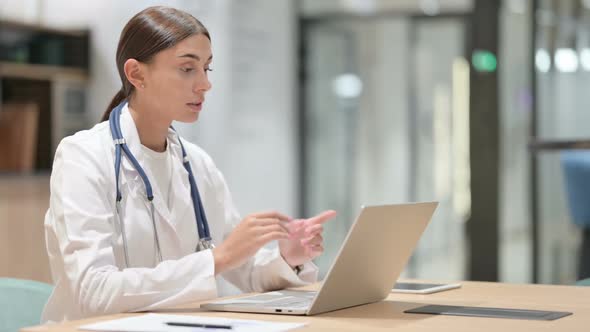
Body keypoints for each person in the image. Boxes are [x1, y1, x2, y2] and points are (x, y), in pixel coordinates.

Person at [41, 6, 336, 322]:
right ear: (136, 74)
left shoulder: (196, 163)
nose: (204, 84)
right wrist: (216, 259)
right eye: (187, 69)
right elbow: (92, 293)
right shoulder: (82, 157)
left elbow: (243, 270)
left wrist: (288, 257)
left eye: (207, 69)